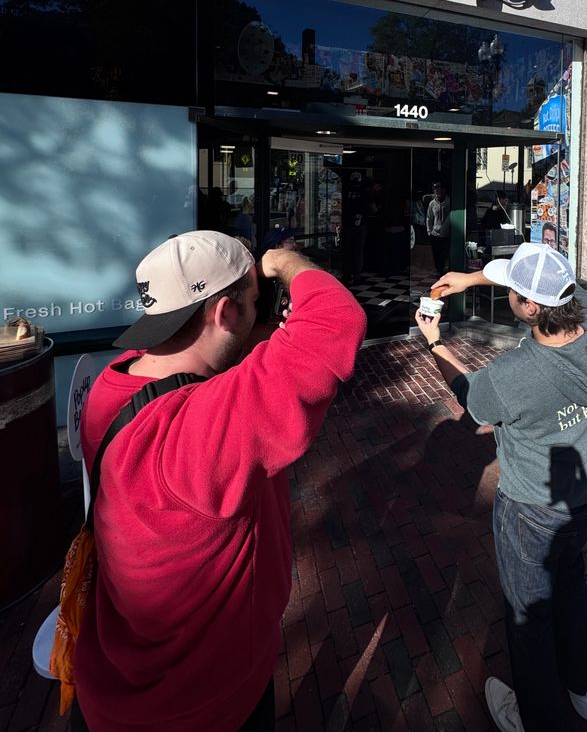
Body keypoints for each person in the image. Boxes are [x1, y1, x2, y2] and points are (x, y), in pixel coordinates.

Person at [72, 230, 366, 731]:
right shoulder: (201, 434)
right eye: (254, 301)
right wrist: (287, 263)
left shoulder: (115, 383)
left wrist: (256, 327)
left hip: (119, 685)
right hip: (207, 705)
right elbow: (337, 320)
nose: (260, 312)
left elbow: (204, 361)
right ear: (225, 313)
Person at [420, 243, 587, 732]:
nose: (507, 293)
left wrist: (435, 343)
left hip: (532, 508)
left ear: (529, 306)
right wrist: (471, 279)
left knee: (529, 618)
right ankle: (582, 688)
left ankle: (536, 716)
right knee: (571, 584)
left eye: (513, 290)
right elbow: (556, 286)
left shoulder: (517, 374)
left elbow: (473, 399)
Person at [426, 180, 451, 277]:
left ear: (444, 189)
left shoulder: (449, 201)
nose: (436, 190)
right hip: (435, 234)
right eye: (434, 188)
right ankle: (438, 271)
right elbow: (429, 218)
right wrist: (429, 231)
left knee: (444, 254)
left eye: (438, 188)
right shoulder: (432, 203)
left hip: (446, 234)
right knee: (436, 254)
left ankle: (444, 271)